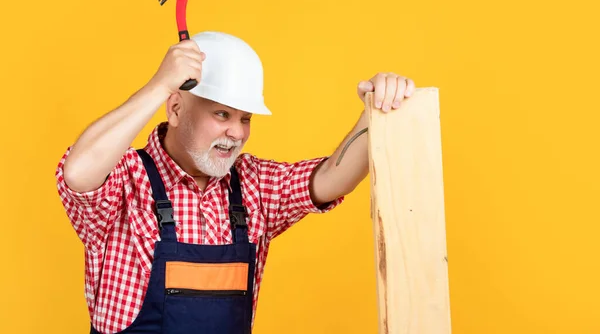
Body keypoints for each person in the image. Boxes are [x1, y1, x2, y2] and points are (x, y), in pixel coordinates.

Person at [55, 31, 415, 334]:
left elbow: (332, 179)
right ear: (176, 109)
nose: (236, 132)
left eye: (245, 119)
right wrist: (158, 86)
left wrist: (378, 112)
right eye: (222, 114)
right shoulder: (126, 180)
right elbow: (78, 173)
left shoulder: (253, 186)